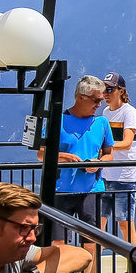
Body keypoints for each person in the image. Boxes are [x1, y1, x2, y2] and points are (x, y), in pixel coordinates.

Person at [41, 75, 113, 252]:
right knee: (59, 242)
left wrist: (98, 162)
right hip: (61, 189)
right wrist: (65, 157)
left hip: (91, 190)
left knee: (91, 241)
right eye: (96, 100)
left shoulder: (101, 122)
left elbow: (109, 155)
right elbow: (41, 153)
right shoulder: (58, 121)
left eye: (102, 100)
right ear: (81, 97)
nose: (99, 104)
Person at [99, 72, 136, 248]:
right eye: (103, 90)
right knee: (97, 225)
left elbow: (126, 143)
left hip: (125, 177)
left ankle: (133, 271)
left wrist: (103, 148)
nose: (105, 94)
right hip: (105, 176)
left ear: (121, 90)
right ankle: (92, 272)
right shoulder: (104, 113)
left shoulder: (129, 113)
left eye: (109, 89)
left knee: (125, 225)